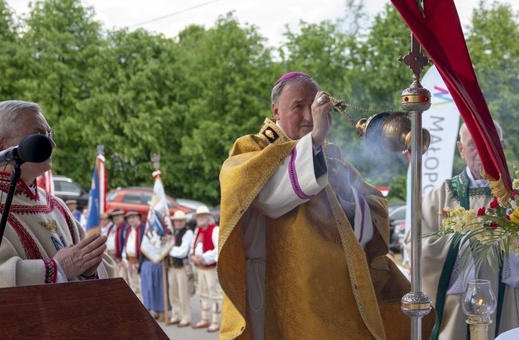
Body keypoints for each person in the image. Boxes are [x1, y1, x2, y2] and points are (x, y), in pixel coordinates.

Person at [219, 72, 418, 339]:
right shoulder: (252, 149)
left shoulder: (330, 157)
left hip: (328, 293)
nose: (309, 116)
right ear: (276, 110)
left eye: (314, 107)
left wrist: (346, 196)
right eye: (298, 106)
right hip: (272, 286)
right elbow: (270, 201)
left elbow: (369, 215)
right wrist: (312, 142)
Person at [0, 100, 111, 291]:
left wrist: (88, 270)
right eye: (40, 135)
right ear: (2, 147)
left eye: (49, 134)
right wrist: (57, 268)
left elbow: (94, 269)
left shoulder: (56, 206)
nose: (52, 143)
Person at [421, 121, 519, 340]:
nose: (481, 150)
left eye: (489, 144)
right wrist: (465, 240)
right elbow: (420, 248)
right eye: (473, 144)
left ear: (500, 147)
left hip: (509, 304)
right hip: (457, 312)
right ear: (461, 150)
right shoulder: (440, 196)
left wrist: (515, 241)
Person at [191, 205, 221, 333]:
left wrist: (202, 257)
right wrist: (192, 256)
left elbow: (217, 250)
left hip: (210, 268)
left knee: (215, 294)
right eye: (199, 216)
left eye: (203, 215)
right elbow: (193, 246)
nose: (201, 218)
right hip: (200, 267)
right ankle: (204, 319)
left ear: (208, 217)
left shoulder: (215, 230)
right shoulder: (197, 230)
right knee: (202, 293)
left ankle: (216, 321)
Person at [168, 210, 195, 327]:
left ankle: (185, 317)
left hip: (182, 267)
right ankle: (176, 315)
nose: (178, 223)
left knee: (184, 293)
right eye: (176, 221)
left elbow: (183, 252)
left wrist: (169, 250)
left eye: (180, 221)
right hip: (172, 266)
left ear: (184, 221)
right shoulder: (174, 232)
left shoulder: (188, 233)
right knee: (173, 292)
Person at [119, 210, 145, 301]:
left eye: (133, 217)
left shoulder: (143, 229)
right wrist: (125, 260)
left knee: (141, 287)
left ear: (138, 218)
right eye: (129, 218)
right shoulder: (128, 230)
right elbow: (125, 246)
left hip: (140, 262)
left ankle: (144, 309)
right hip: (130, 262)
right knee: (133, 287)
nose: (131, 220)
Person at [105, 208, 125, 278]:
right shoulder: (111, 227)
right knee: (112, 276)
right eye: (114, 216)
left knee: (121, 277)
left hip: (119, 257)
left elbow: (125, 243)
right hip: (109, 255)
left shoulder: (125, 228)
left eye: (118, 216)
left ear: (122, 217)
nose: (116, 218)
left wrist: (123, 258)